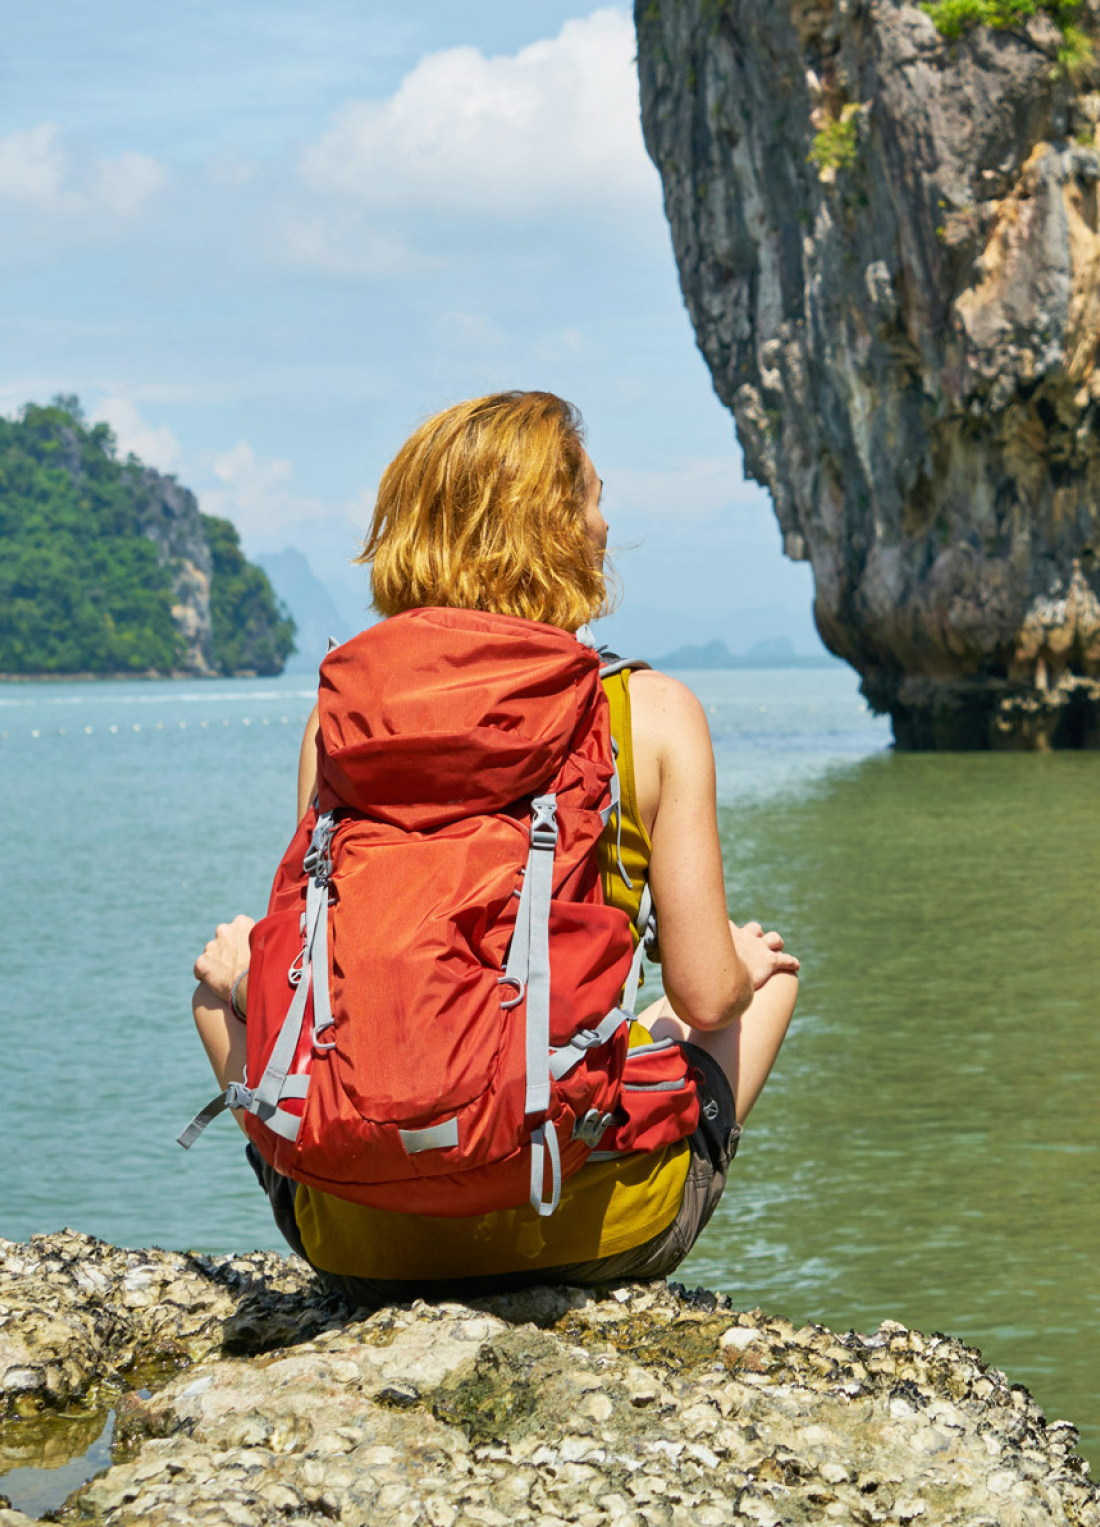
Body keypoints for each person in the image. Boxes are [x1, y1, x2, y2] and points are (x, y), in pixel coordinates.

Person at [190, 390, 800, 1302]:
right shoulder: (649, 712)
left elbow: (315, 980)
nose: (606, 525)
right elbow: (706, 997)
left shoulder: (339, 721)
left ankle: (360, 1204)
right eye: (593, 500)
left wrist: (244, 978)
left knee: (216, 984)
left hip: (358, 1247)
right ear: (558, 530)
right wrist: (740, 966)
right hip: (582, 1222)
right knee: (763, 979)